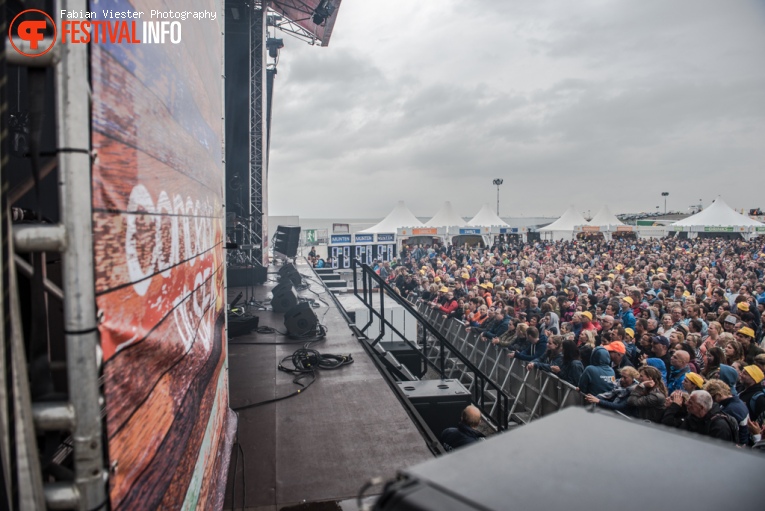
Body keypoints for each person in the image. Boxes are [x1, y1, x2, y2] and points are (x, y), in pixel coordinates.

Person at [662, 390, 737, 443]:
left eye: (691, 403)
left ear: (701, 408)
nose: (687, 403)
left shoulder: (719, 426)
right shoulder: (692, 416)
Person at [704, 379, 750, 445]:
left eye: (712, 398)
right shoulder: (737, 401)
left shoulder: (730, 410)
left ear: (718, 395)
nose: (712, 401)